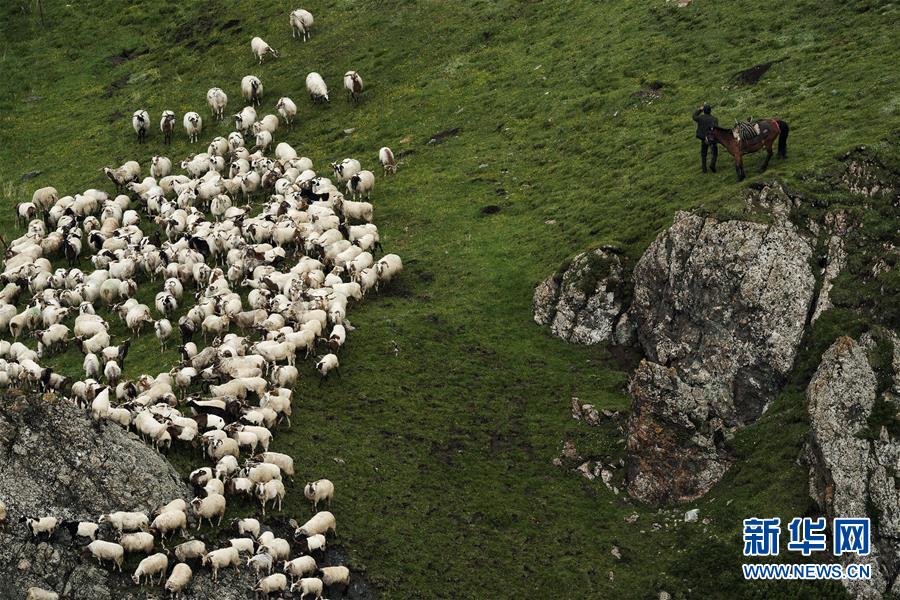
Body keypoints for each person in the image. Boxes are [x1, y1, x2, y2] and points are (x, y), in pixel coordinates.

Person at [692, 103, 718, 173]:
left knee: (703, 154)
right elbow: (716, 129)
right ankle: (712, 164)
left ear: (704, 111)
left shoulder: (700, 118)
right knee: (714, 153)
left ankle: (704, 169)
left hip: (703, 138)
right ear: (710, 111)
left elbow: (694, 116)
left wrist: (699, 110)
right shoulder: (714, 119)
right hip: (711, 138)